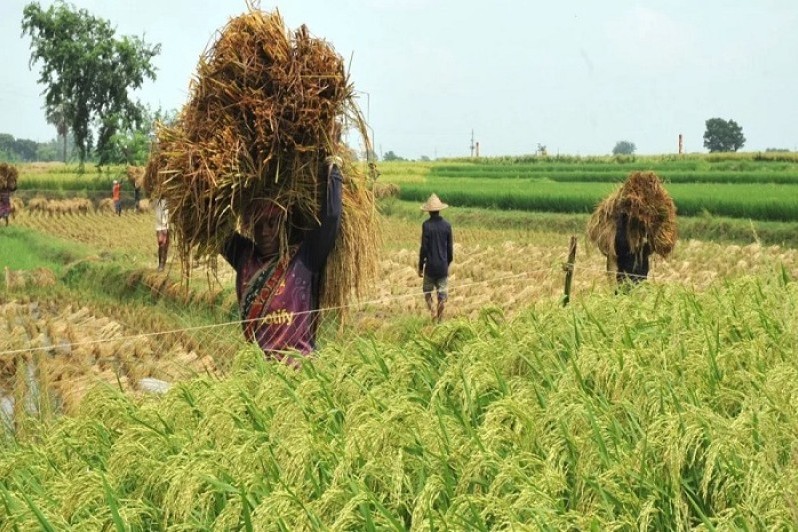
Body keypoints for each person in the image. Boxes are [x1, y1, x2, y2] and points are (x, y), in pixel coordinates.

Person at [221, 158, 343, 367]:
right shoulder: (244, 258)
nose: (264, 232)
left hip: (299, 371)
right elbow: (214, 229)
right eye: (258, 225)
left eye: (271, 224)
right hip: (259, 370)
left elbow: (330, 219)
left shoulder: (304, 259)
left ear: (284, 225)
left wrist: (334, 171)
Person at [418, 193, 453, 323]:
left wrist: (421, 266)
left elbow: (424, 248)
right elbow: (450, 250)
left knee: (427, 290)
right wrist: (447, 264)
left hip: (430, 267)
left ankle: (432, 308)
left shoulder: (426, 225)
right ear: (439, 210)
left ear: (429, 212)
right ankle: (440, 320)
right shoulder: (447, 226)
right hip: (442, 266)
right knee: (442, 295)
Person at [614, 212, 652, 287]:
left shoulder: (645, 240)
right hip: (625, 270)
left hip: (639, 275)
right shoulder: (621, 235)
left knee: (640, 277)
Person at [154, 197, 169, 271]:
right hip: (159, 226)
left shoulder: (167, 201)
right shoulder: (156, 201)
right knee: (161, 244)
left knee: (164, 244)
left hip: (165, 226)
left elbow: (167, 213)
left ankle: (162, 264)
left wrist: (165, 226)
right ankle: (161, 264)